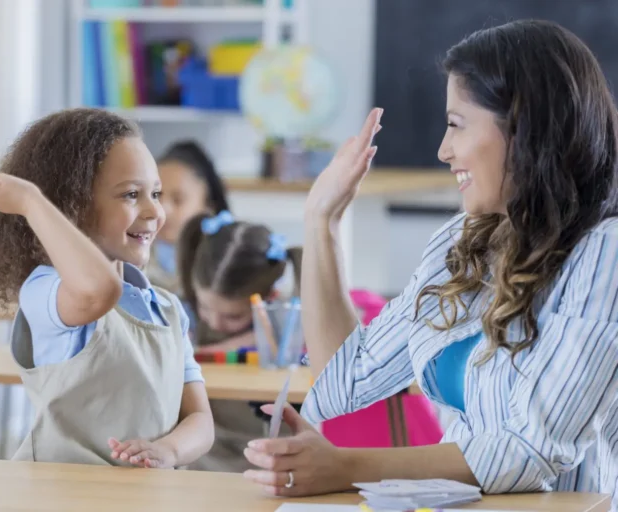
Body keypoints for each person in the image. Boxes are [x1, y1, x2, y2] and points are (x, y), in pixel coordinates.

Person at [242, 19, 618, 509]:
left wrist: (345, 467)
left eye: (456, 125)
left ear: (521, 127)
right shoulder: (462, 243)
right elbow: (345, 381)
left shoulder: (604, 253)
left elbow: (532, 451)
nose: (443, 150)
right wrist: (321, 221)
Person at [0, 109, 214, 467]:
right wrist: (31, 203)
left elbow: (200, 420)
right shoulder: (45, 291)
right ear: (71, 206)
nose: (154, 210)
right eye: (130, 195)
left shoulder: (167, 309)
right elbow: (99, 291)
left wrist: (168, 451)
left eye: (155, 193)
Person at [177, 210, 302, 472]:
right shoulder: (183, 315)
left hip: (267, 461)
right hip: (203, 459)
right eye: (205, 307)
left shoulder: (286, 323)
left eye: (233, 316)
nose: (216, 322)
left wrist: (252, 338)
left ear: (269, 297)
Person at [146, 140, 230, 296]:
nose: (162, 210)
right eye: (156, 195)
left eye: (178, 199)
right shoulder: (128, 263)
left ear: (208, 206)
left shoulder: (229, 264)